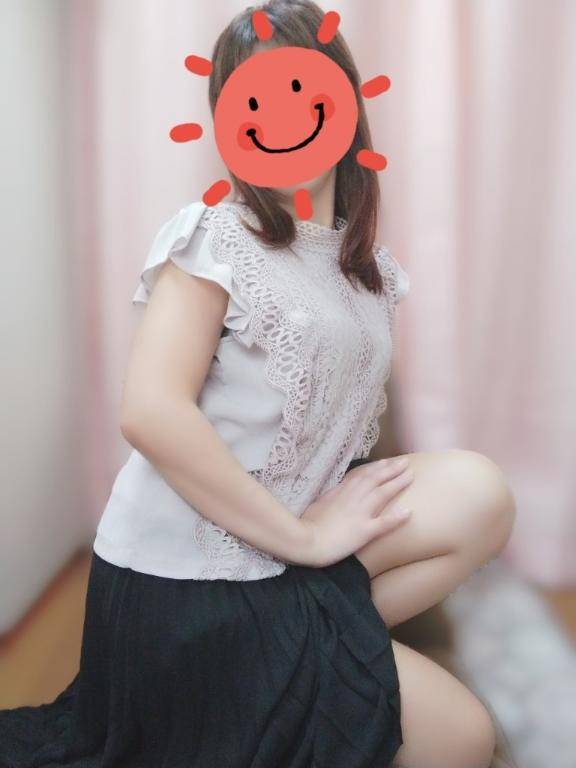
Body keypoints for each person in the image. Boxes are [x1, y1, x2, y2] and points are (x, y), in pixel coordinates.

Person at [0, 2, 516, 767]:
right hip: (190, 582)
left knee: (482, 495)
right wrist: (305, 537)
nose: (278, 118)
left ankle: (314, 644)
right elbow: (150, 410)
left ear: (344, 103)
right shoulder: (215, 235)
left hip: (286, 559)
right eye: (252, 101)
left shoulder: (363, 271)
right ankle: (270, 658)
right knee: (462, 736)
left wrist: (315, 527)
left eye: (299, 92)